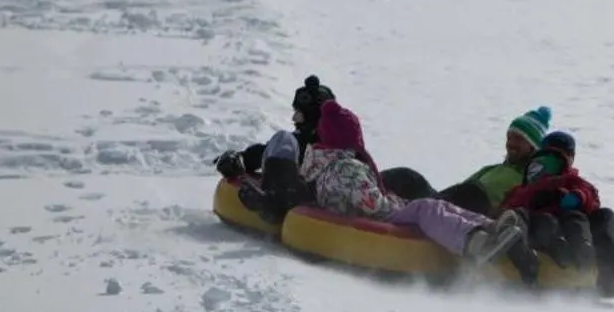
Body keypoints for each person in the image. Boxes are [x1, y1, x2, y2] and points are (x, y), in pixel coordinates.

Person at [301, 100, 524, 266]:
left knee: (431, 204)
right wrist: (398, 203)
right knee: (425, 208)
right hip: (375, 216)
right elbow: (373, 205)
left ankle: (490, 227)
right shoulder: (346, 167)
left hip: (363, 210)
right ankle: (476, 242)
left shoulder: (326, 161)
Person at [498, 129, 614, 296]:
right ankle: (601, 266)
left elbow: (591, 201)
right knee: (566, 219)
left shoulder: (559, 182)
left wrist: (577, 196)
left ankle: (607, 270)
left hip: (560, 226)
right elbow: (591, 199)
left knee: (593, 217)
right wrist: (570, 197)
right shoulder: (556, 182)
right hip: (554, 227)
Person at [214, 75, 334, 221]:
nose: (293, 118)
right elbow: (262, 152)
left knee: (283, 139)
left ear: (312, 116)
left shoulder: (325, 148)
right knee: (283, 140)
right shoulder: (298, 141)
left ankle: (273, 204)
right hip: (297, 193)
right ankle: (273, 199)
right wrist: (241, 158)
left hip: (304, 197)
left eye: (299, 113)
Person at [438, 106, 552, 215]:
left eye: (518, 139)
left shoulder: (532, 179)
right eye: (509, 138)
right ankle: (425, 209)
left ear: (533, 146)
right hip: (454, 210)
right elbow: (457, 191)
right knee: (419, 182)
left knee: (472, 191)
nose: (510, 143)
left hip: (482, 219)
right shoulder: (490, 169)